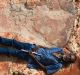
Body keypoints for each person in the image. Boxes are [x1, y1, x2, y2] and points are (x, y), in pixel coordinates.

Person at [0, 37, 76, 75]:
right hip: (32, 47)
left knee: (11, 52)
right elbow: (48, 49)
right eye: (69, 55)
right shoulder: (60, 50)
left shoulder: (58, 65)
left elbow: (45, 69)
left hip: (30, 56)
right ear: (68, 54)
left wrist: (33, 57)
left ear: (68, 61)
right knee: (14, 42)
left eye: (69, 59)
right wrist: (38, 46)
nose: (68, 57)